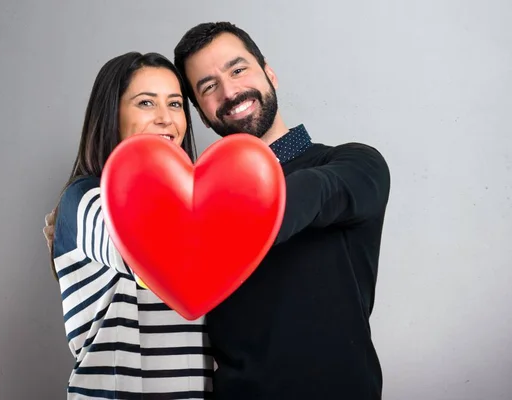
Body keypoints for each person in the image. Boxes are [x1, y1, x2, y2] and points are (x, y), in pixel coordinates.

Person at [171, 22, 391, 399]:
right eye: (208, 87)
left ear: (268, 73)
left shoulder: (354, 163)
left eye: (238, 69)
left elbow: (315, 193)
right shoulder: (198, 203)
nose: (230, 91)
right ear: (203, 114)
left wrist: (218, 212)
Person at [47, 51, 213, 399]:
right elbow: (150, 259)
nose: (166, 119)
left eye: (175, 104)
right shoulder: (87, 197)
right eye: (146, 103)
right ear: (113, 115)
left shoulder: (192, 209)